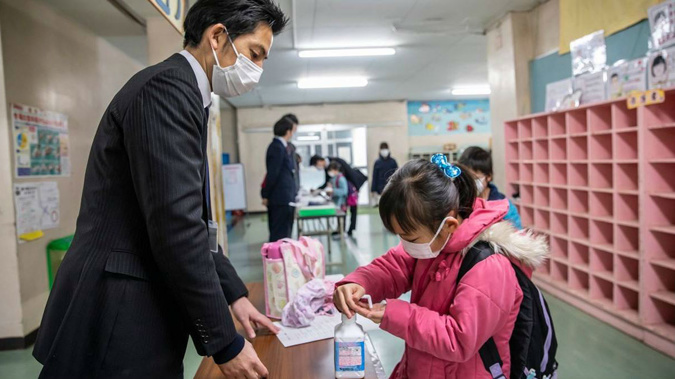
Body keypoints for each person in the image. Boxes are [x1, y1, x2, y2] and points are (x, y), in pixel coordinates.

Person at [32, 1, 287, 378]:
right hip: (116, 310)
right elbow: (177, 227)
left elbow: (194, 224)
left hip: (134, 302)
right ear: (217, 36)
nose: (258, 70)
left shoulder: (189, 95)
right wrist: (224, 342)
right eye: (254, 54)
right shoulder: (166, 89)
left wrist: (233, 294)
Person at [334, 156, 548, 379]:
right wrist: (359, 282)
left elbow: (459, 339)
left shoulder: (489, 266)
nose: (405, 244)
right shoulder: (434, 239)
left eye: (409, 237)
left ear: (449, 225)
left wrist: (394, 314)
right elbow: (393, 266)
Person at [459, 146, 523, 229]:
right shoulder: (459, 203)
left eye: (474, 178)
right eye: (465, 177)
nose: (469, 182)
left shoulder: (503, 205)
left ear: (488, 176)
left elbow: (517, 235)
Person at [310, 155, 367, 236]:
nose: (317, 167)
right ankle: (341, 229)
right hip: (342, 192)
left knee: (353, 209)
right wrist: (318, 189)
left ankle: (351, 229)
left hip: (351, 189)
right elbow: (327, 181)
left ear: (319, 161)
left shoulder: (337, 161)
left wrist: (356, 188)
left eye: (316, 165)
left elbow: (350, 173)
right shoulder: (327, 168)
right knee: (342, 209)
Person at [262, 116, 298, 242]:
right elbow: (273, 174)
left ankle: (283, 259)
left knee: (285, 234)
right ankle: (276, 261)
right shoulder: (276, 147)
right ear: (288, 131)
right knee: (279, 235)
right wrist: (265, 194)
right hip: (280, 199)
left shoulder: (284, 147)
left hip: (285, 198)